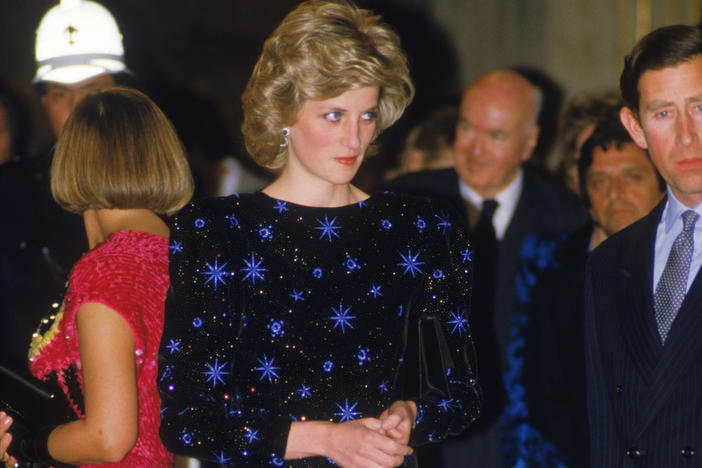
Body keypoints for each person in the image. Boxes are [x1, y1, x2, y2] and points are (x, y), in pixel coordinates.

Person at [157, 1, 482, 466]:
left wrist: (411, 413)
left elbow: (460, 392)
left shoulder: (423, 228)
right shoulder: (218, 232)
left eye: (367, 115)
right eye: (333, 116)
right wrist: (327, 440)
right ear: (284, 112)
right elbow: (187, 419)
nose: (354, 139)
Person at [387, 69, 588, 467]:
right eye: (467, 128)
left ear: (529, 143)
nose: (475, 149)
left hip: (528, 445)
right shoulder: (404, 204)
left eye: (495, 136)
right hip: (427, 442)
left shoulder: (569, 220)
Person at [0, 87, 194, 466]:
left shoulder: (107, 271)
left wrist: (29, 446)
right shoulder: (186, 257)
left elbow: (108, 438)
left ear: (71, 163)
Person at [497, 114, 665, 468]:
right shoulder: (557, 271)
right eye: (600, 181)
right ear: (585, 195)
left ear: (662, 184)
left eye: (631, 177)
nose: (615, 193)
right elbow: (542, 391)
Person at [0, 0, 133, 397]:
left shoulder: (170, 196)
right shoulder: (9, 191)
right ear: (45, 103)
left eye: (93, 90)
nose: (79, 110)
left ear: (126, 94)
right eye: (61, 94)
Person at [585, 24, 702, 466]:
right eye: (663, 114)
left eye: (700, 107)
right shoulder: (609, 263)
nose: (687, 136)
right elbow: (607, 433)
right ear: (635, 127)